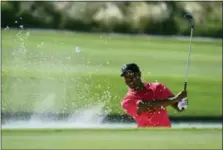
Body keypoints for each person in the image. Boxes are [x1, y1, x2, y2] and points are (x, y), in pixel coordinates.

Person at [120, 63, 188, 128]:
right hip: (147, 137)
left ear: (139, 74)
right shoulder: (127, 101)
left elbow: (177, 106)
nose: (129, 80)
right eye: (126, 77)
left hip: (167, 134)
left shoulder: (158, 87)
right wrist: (175, 99)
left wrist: (182, 103)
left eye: (132, 75)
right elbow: (149, 106)